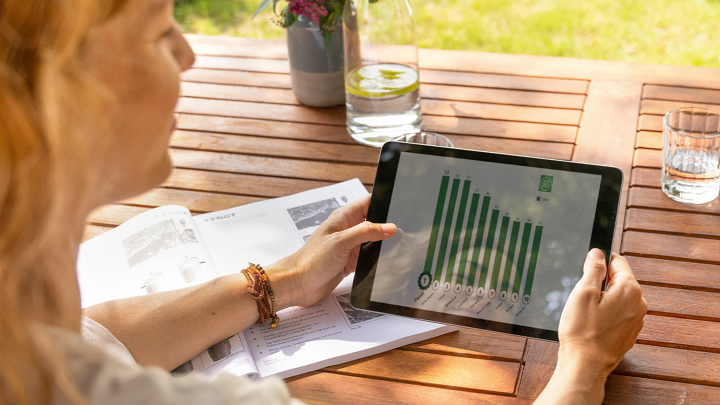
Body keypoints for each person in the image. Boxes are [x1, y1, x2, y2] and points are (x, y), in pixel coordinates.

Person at [0, 0, 647, 403]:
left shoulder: (23, 343)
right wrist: (585, 366)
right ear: (54, 90)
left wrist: (280, 281)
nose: (188, 51)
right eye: (156, 31)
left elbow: (85, 337)